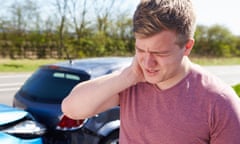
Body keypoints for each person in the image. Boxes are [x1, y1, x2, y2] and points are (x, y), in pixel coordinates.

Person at [62, 0, 240, 143]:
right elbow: (71, 109)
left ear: (187, 47)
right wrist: (127, 77)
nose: (148, 63)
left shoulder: (220, 102)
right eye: (140, 50)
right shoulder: (131, 80)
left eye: (159, 53)